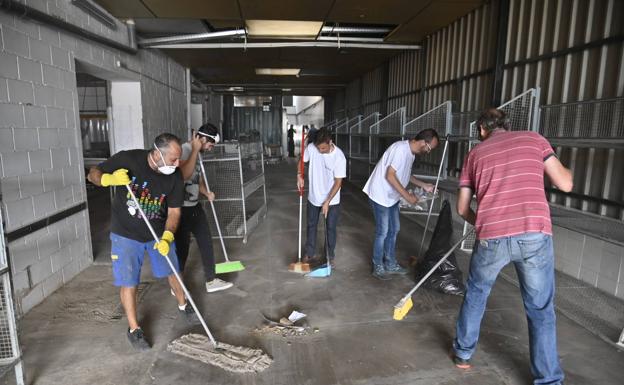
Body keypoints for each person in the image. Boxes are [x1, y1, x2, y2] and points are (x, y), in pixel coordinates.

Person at [452, 108, 572, 385]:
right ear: (507, 125)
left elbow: (462, 208)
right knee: (540, 308)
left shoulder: (475, 154)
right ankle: (549, 379)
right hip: (534, 233)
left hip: (492, 235)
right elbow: (565, 183)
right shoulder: (535, 139)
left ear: (482, 129)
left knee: (477, 294)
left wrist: (482, 222)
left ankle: (463, 354)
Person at [88, 133, 197, 352]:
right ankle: (133, 329)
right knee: (129, 281)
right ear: (157, 154)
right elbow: (93, 174)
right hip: (125, 234)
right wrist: (108, 179)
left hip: (157, 233)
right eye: (173, 159)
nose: (178, 164)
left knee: (174, 272)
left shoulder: (174, 176)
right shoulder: (128, 160)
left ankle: (184, 305)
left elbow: (174, 212)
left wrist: (167, 236)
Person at [363, 129, 439, 280]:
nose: (429, 152)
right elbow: (390, 175)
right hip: (380, 195)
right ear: (424, 142)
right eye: (430, 148)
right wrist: (408, 196)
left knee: (395, 229)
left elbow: (405, 174)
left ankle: (390, 263)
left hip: (391, 197)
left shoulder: (410, 154)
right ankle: (378, 265)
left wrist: (424, 185)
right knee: (383, 231)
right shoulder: (400, 149)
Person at [177, 123, 233, 293]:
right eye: (209, 144)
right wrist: (194, 150)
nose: (210, 148)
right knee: (182, 248)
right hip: (180, 208)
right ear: (201, 139)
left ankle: (211, 280)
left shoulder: (198, 155)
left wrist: (206, 192)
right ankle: (176, 284)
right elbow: (183, 175)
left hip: (194, 206)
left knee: (206, 241)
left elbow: (197, 180)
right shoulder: (184, 151)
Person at [296, 127, 347, 267]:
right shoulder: (313, 148)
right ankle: (310, 253)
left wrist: (327, 201)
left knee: (330, 227)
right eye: (319, 148)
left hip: (332, 200)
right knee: (311, 225)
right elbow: (302, 160)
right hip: (313, 196)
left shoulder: (339, 157)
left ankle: (329, 255)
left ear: (330, 142)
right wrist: (299, 175)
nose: (320, 151)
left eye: (323, 148)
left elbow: (338, 182)